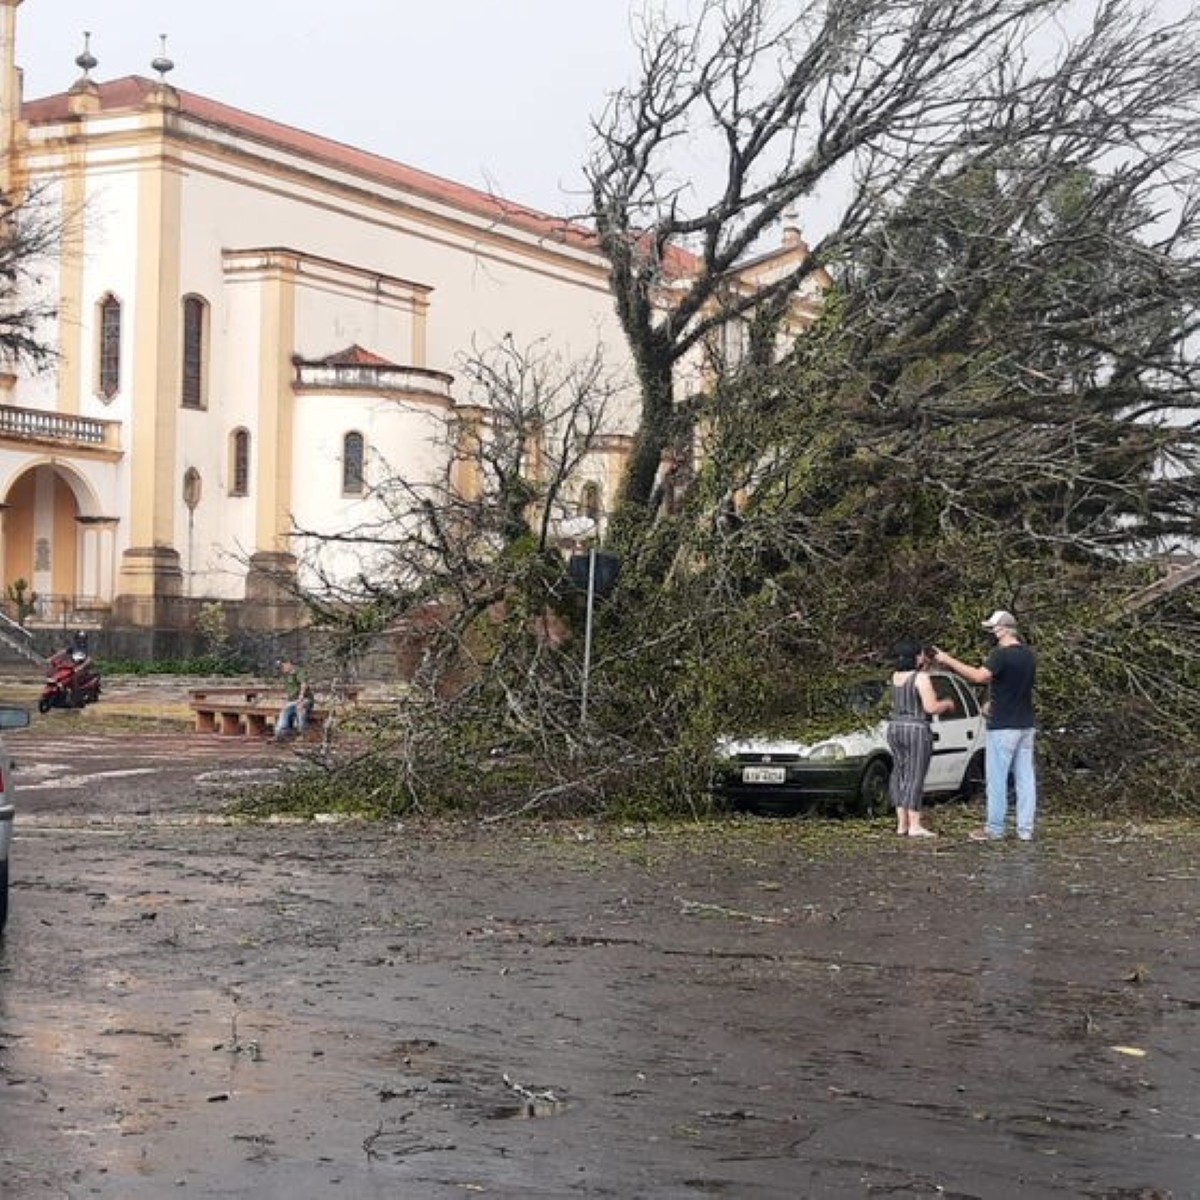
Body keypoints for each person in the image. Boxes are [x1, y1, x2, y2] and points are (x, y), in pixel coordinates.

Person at [934, 609, 1037, 841]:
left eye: (993, 628)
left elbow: (979, 677)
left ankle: (995, 828)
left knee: (997, 778)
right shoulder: (1028, 656)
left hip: (1003, 726)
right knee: (1025, 778)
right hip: (1025, 724)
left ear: (1002, 630)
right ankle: (1025, 829)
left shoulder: (1000, 655)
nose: (991, 632)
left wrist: (947, 659)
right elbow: (1016, 687)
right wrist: (993, 701)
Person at [887, 638, 955, 837]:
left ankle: (902, 824)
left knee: (899, 774)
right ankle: (915, 825)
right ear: (917, 656)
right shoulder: (921, 679)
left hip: (895, 727)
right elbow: (930, 707)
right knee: (915, 775)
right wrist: (947, 704)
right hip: (916, 729)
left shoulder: (895, 676)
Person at [274, 658, 314, 740]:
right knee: (284, 712)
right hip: (292, 701)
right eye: (279, 667)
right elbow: (290, 690)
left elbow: (303, 684)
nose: (281, 669)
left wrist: (301, 698)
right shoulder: (286, 675)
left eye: (282, 666)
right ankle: (280, 733)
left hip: (305, 699)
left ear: (288, 663)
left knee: (299, 710)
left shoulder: (299, 671)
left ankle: (302, 734)